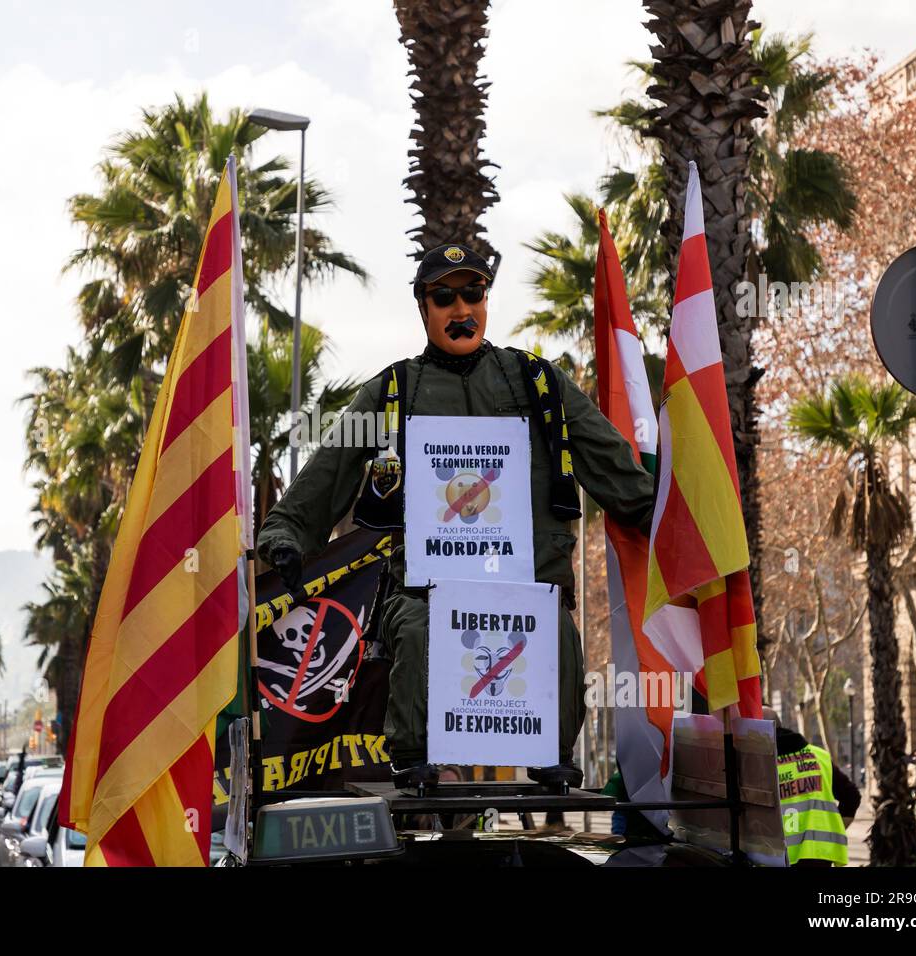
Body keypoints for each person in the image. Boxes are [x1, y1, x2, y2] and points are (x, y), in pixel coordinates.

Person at [256, 243, 656, 790]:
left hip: (525, 582)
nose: (460, 308)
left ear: (487, 300)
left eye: (473, 293)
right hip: (426, 587)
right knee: (418, 631)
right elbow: (325, 476)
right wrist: (284, 534)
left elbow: (612, 463)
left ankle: (550, 757)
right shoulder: (391, 393)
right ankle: (417, 763)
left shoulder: (539, 385)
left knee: (556, 634)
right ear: (423, 308)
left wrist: (662, 512)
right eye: (443, 296)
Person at [766, 707, 860, 867]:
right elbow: (851, 796)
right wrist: (836, 828)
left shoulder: (758, 763)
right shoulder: (819, 755)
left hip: (776, 852)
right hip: (820, 852)